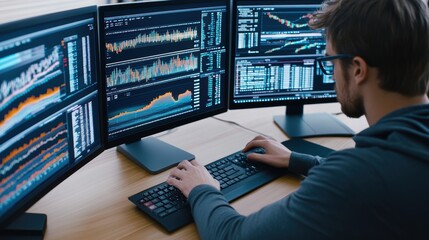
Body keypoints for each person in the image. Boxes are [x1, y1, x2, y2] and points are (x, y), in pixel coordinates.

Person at [167, 0, 429, 239]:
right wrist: (299, 160)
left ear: (358, 70)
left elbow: (232, 235)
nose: (333, 74)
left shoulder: (359, 178)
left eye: (331, 61)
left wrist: (202, 189)